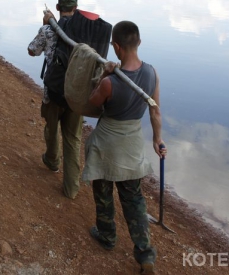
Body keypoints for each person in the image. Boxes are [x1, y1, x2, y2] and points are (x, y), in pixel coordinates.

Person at [81, 21, 167, 274]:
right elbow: (156, 110)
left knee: (104, 192)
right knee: (134, 200)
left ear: (116, 47)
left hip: (107, 144)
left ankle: (107, 236)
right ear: (138, 42)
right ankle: (145, 254)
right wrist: (157, 139)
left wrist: (105, 75)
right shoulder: (152, 73)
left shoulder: (110, 83)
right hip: (131, 144)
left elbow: (91, 106)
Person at [27, 0, 83, 199]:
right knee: (73, 139)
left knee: (51, 128)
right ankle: (72, 188)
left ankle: (52, 161)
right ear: (76, 8)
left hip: (53, 92)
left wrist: (45, 25)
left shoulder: (48, 30)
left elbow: (32, 51)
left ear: (58, 7)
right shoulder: (84, 32)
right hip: (77, 96)